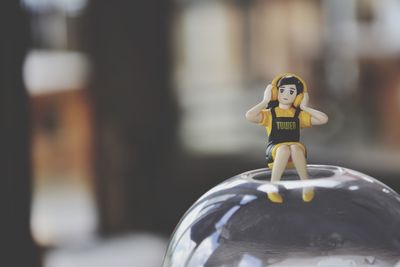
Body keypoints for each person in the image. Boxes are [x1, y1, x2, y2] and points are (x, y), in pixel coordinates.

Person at [245, 73, 328, 203]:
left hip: (296, 153)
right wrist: (265, 101)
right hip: (274, 152)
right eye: (282, 90)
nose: (286, 94)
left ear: (298, 97)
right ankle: (273, 187)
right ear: (275, 92)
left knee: (294, 147)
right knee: (284, 149)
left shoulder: (298, 115)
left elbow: (323, 119)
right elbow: (249, 116)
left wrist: (305, 107)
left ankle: (306, 185)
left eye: (291, 91)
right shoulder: (270, 114)